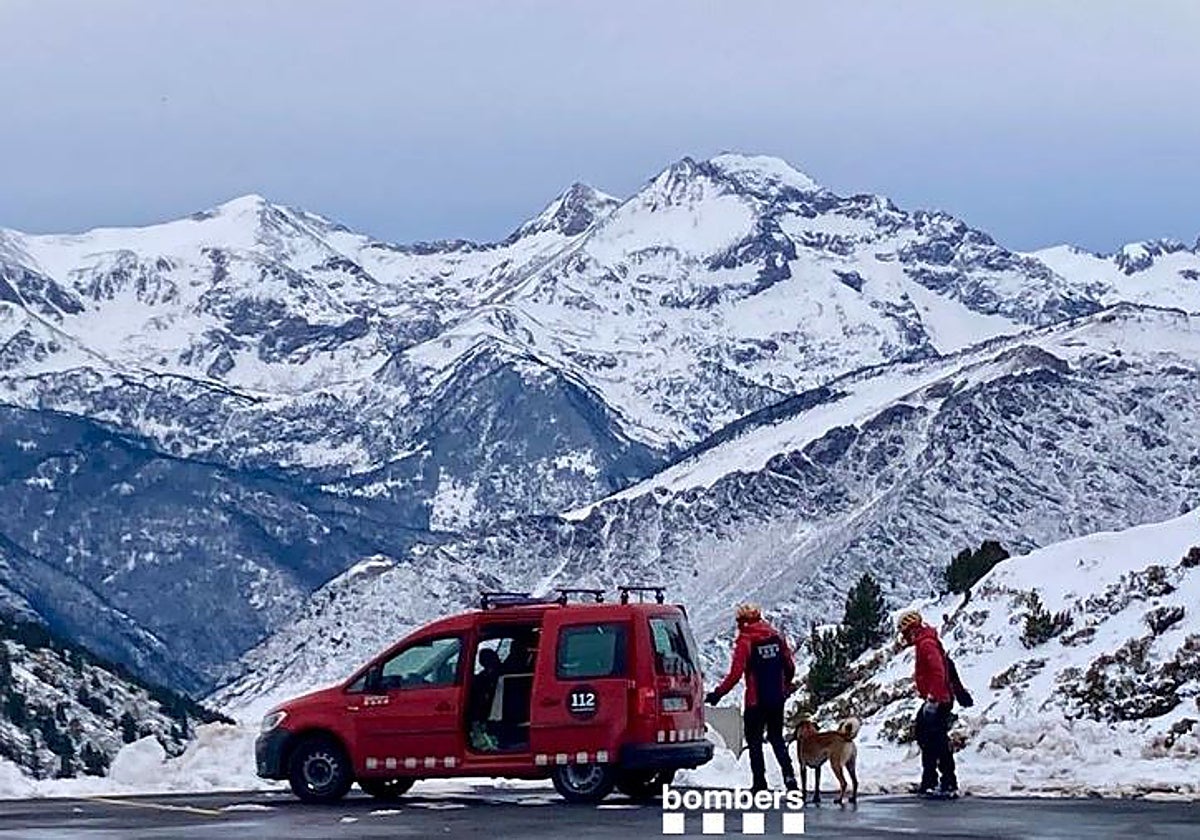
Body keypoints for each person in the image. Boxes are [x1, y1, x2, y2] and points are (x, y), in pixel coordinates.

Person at [705, 604, 798, 792]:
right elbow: (789, 665)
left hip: (756, 700)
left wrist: (717, 694)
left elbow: (735, 674)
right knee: (777, 738)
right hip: (776, 698)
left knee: (754, 741)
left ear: (742, 621)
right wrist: (785, 687)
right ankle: (790, 780)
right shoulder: (776, 636)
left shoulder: (745, 641)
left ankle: (759, 783)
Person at [897, 609, 958, 798]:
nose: (904, 637)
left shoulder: (926, 644)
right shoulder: (926, 641)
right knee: (929, 738)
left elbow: (938, 670)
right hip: (939, 698)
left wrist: (933, 698)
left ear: (911, 629)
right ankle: (938, 780)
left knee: (933, 740)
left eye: (905, 632)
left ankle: (940, 782)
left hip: (938, 700)